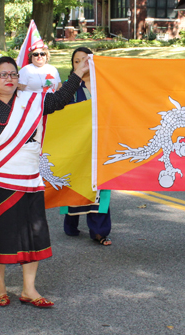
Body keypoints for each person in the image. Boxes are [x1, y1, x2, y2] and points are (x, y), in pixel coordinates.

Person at [0, 55, 89, 307]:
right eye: (3, 75)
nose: (9, 78)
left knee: (33, 234)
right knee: (0, 234)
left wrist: (78, 73)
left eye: (13, 74)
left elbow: (60, 100)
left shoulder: (32, 102)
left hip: (29, 179)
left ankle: (29, 289)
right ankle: (0, 287)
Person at [60, 47, 112, 246]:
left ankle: (99, 231)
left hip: (100, 144)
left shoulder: (105, 85)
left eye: (85, 59)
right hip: (76, 145)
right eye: (76, 61)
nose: (81, 63)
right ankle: (71, 224)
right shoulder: (69, 87)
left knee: (99, 186)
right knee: (75, 185)